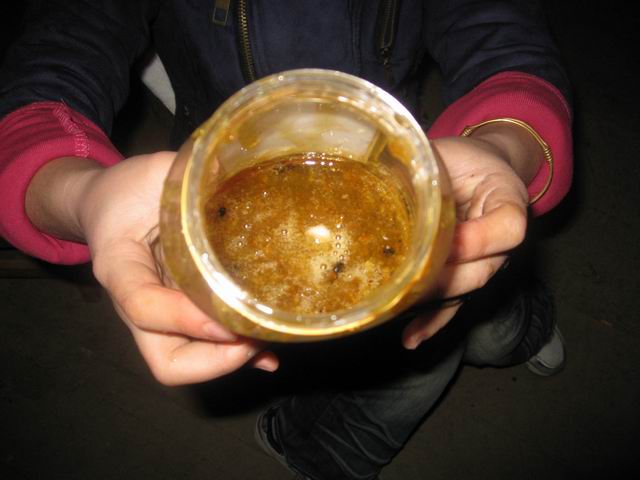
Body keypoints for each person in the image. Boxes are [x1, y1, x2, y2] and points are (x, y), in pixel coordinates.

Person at [0, 0, 572, 478]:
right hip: (218, 176)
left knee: (485, 305)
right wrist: (80, 194)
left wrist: (504, 145)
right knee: (418, 369)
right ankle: (312, 446)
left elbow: (502, 32)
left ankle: (517, 326)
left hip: (401, 168)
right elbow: (56, 59)